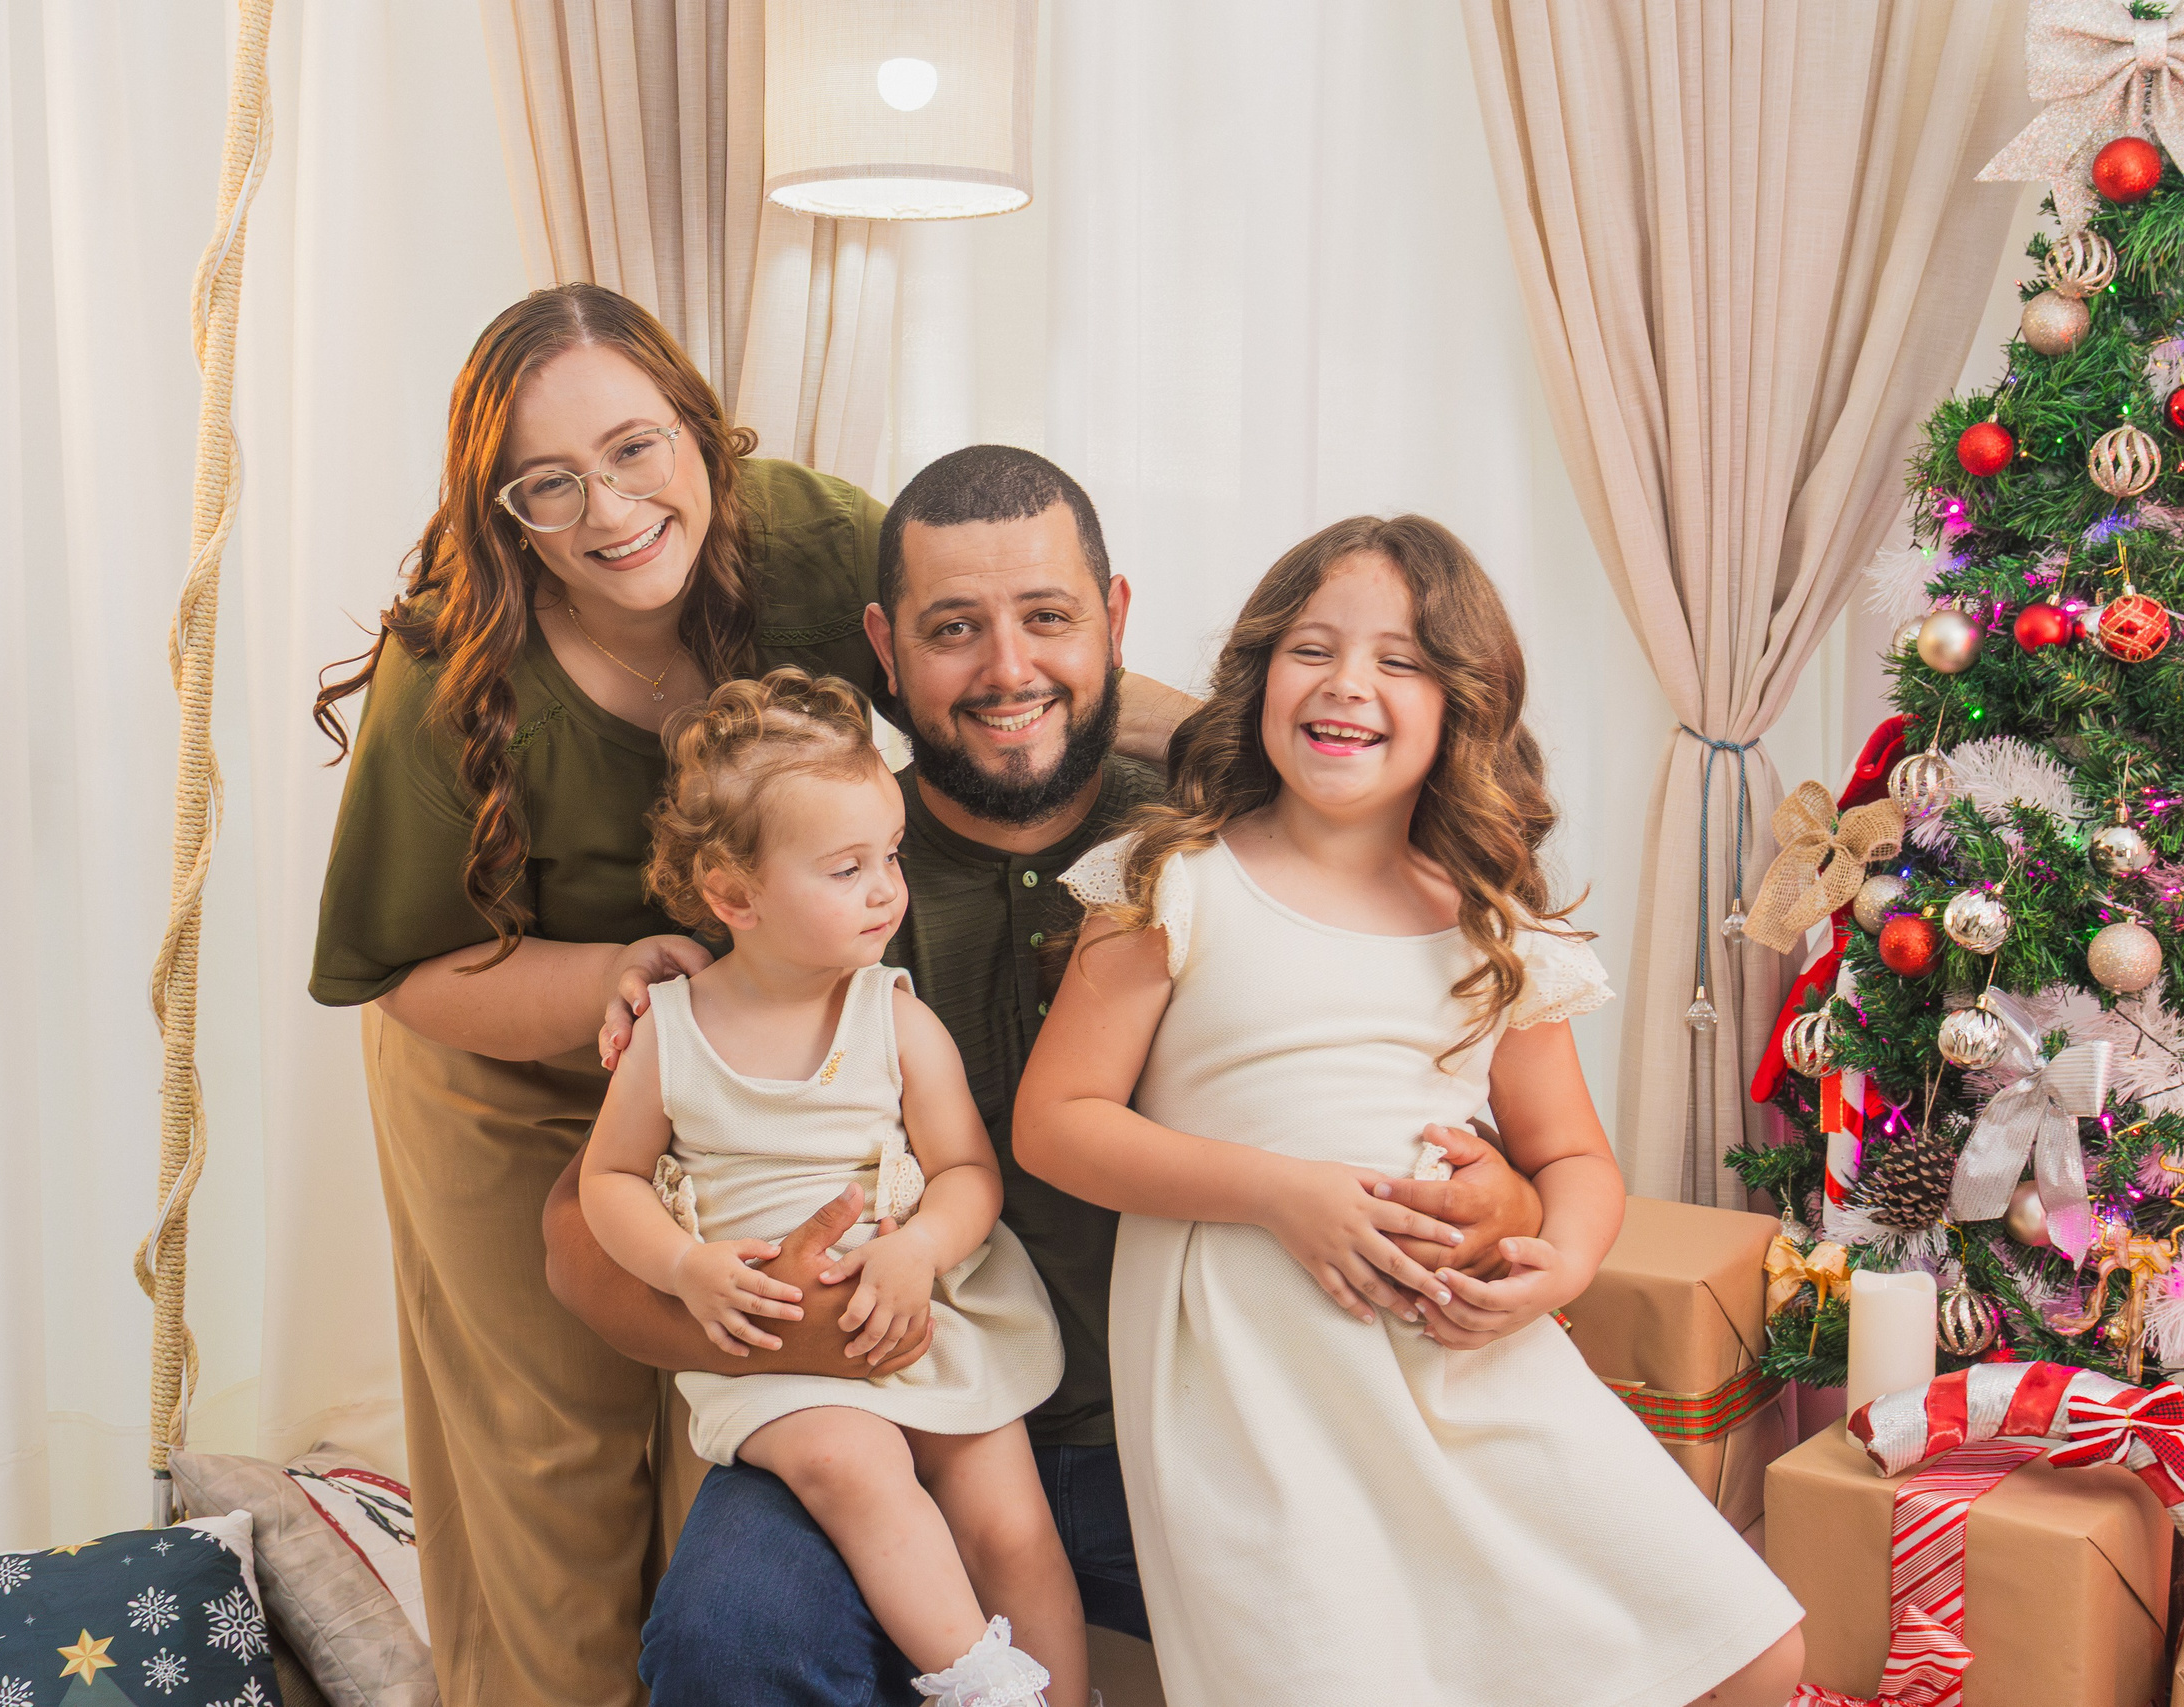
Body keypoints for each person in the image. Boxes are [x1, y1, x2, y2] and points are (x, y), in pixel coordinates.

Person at [540, 448, 1552, 1704]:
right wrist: (788, 1331)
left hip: (1199, 1430)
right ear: (885, 647)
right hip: (881, 1418)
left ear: (1114, 620)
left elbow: (1450, 1095)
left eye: (1049, 619)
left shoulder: (1210, 855)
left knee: (1451, 1603)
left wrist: (1511, 1203)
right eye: (953, 629)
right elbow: (582, 1238)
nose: (1008, 670)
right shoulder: (811, 861)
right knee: (728, 1639)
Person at [307, 287, 1196, 1707]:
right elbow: (406, 967)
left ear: (700, 431)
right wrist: (616, 985)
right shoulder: (455, 666)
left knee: (725, 1468)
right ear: (503, 509)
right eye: (550, 482)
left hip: (780, 1004)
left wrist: (1252, 737)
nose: (609, 509)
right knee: (557, 1461)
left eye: (637, 448)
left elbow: (996, 652)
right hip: (514, 1030)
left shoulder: (802, 537)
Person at [1011, 513, 1807, 1707]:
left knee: (1743, 1648)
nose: (1347, 686)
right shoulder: (1175, 884)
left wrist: (1557, 1266)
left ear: (1461, 707)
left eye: (1400, 661)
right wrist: (1283, 1194)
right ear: (1259, 675)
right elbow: (1057, 1122)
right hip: (1257, 1383)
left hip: (1462, 1359)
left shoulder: (1488, 920)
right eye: (1312, 649)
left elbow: (1575, 1157)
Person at [581, 669, 1083, 1707]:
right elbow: (610, 1181)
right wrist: (686, 1266)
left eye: (888, 856)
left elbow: (965, 1175)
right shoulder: (669, 1034)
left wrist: (916, 1250)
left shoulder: (891, 1016)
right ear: (734, 896)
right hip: (775, 1357)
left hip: (918, 1311)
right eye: (848, 867)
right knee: (852, 1467)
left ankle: (1064, 1701)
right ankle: (980, 1685)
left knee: (1010, 1517)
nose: (885, 889)